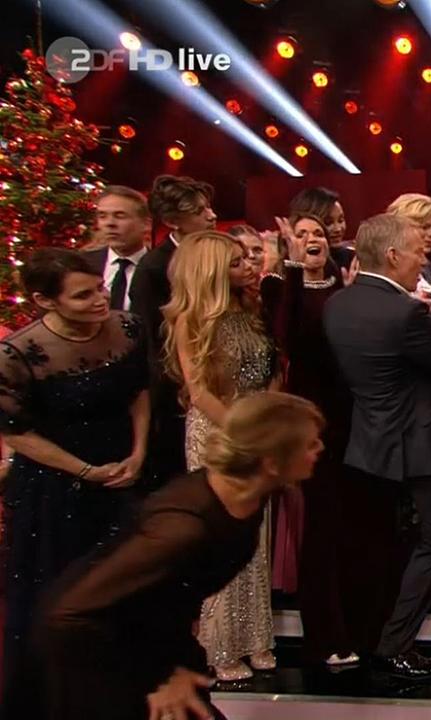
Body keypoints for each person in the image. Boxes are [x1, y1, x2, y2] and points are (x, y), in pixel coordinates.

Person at [35, 392, 324, 720]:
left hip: (160, 643)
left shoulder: (251, 496)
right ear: (271, 462)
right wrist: (157, 678)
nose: (320, 449)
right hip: (103, 656)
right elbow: (68, 615)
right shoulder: (181, 528)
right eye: (310, 444)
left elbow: (173, 590)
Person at [325, 213, 431, 681]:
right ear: (392, 256)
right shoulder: (408, 312)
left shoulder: (338, 303)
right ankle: (395, 647)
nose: (423, 261)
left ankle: (370, 633)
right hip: (422, 444)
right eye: (417, 252)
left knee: (387, 544)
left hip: (370, 444)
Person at [0, 249, 149, 712]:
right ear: (45, 301)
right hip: (54, 490)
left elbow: (139, 392)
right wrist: (84, 471)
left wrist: (138, 453)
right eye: (83, 295)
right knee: (60, 599)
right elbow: (16, 433)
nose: (100, 299)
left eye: (99, 288)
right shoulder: (18, 353)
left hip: (124, 476)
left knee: (128, 596)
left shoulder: (128, 327)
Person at [163, 231, 279, 681]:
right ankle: (221, 644)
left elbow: (268, 371)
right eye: (236, 263)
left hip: (257, 429)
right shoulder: (190, 320)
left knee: (254, 539)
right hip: (218, 435)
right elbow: (199, 393)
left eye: (246, 259)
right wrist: (242, 430)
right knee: (222, 539)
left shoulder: (249, 311)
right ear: (209, 271)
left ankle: (255, 638)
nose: (249, 266)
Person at [259, 214, 362, 667]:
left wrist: (351, 298)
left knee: (346, 529)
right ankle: (324, 637)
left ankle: (353, 627)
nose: (311, 239)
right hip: (309, 424)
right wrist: (295, 270)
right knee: (318, 529)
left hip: (351, 421)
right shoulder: (283, 289)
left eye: (317, 233)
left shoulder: (344, 286)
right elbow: (287, 338)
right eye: (300, 235)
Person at [131, 175, 217, 490]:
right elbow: (151, 342)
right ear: (171, 221)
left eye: (208, 207)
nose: (211, 216)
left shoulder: (212, 255)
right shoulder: (154, 268)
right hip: (176, 393)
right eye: (199, 211)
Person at [85, 185, 150, 312]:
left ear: (146, 224)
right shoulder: (83, 264)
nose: (109, 223)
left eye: (120, 216)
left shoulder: (163, 267)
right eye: (102, 216)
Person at [290, 186, 353, 270]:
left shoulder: (351, 258)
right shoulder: (289, 264)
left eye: (340, 220)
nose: (338, 229)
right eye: (328, 222)